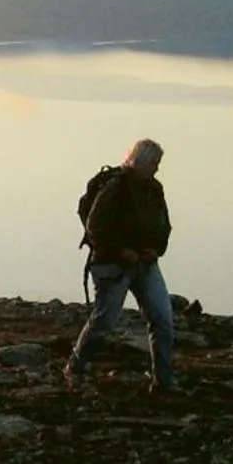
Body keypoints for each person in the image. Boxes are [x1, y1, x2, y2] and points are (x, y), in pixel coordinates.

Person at [65, 138, 179, 393]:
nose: (157, 169)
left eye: (158, 164)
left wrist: (156, 250)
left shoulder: (154, 189)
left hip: (145, 264)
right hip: (113, 266)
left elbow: (165, 225)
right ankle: (76, 366)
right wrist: (121, 251)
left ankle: (163, 381)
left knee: (162, 320)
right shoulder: (115, 188)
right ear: (139, 161)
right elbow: (96, 227)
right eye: (154, 163)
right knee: (105, 320)